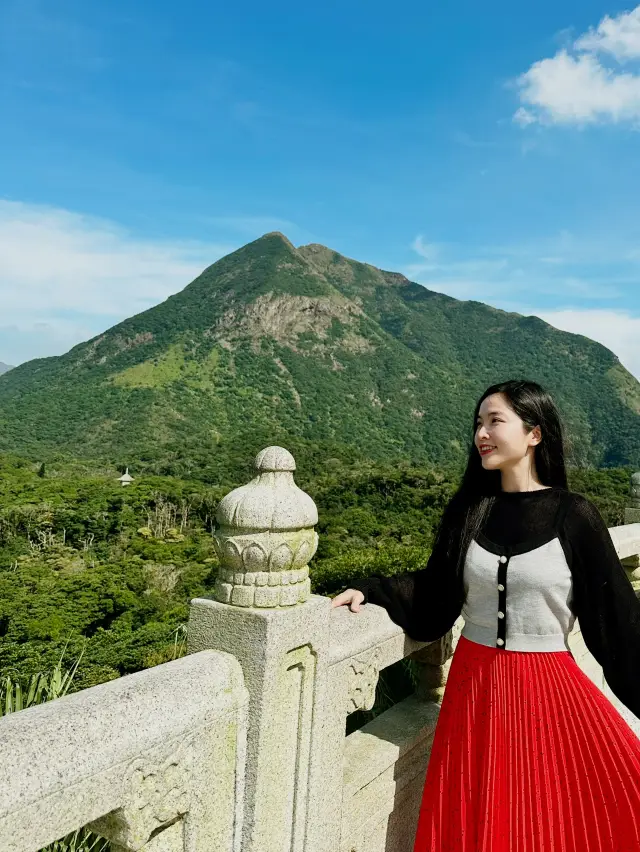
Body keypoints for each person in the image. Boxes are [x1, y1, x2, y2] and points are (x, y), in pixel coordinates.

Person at [331, 379, 640, 852]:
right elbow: (434, 590)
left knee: (543, 820)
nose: (482, 433)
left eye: (495, 421)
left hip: (548, 690)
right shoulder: (470, 511)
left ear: (534, 434)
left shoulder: (574, 515)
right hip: (472, 690)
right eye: (478, 423)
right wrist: (372, 589)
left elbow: (618, 623)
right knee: (478, 820)